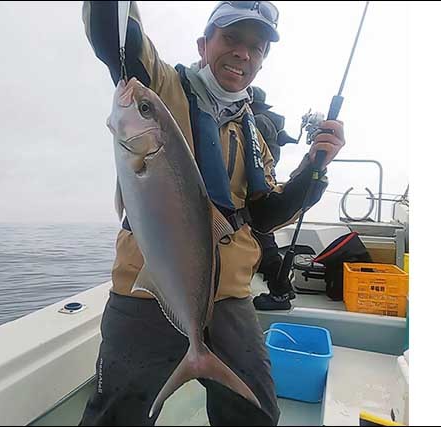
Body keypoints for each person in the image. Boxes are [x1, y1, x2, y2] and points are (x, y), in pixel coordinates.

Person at [79, 2, 345, 425]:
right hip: (145, 287)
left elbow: (263, 215)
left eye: (256, 47)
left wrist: (314, 167)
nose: (244, 53)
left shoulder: (252, 130)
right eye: (232, 39)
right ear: (204, 45)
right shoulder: (161, 87)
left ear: (262, 61)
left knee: (254, 411)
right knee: (119, 413)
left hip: (228, 296)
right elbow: (115, 38)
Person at [250, 86, 300, 310]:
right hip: (264, 187)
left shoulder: (256, 121)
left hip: (254, 190)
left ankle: (281, 292)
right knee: (265, 240)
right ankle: (282, 289)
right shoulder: (268, 121)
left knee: (264, 242)